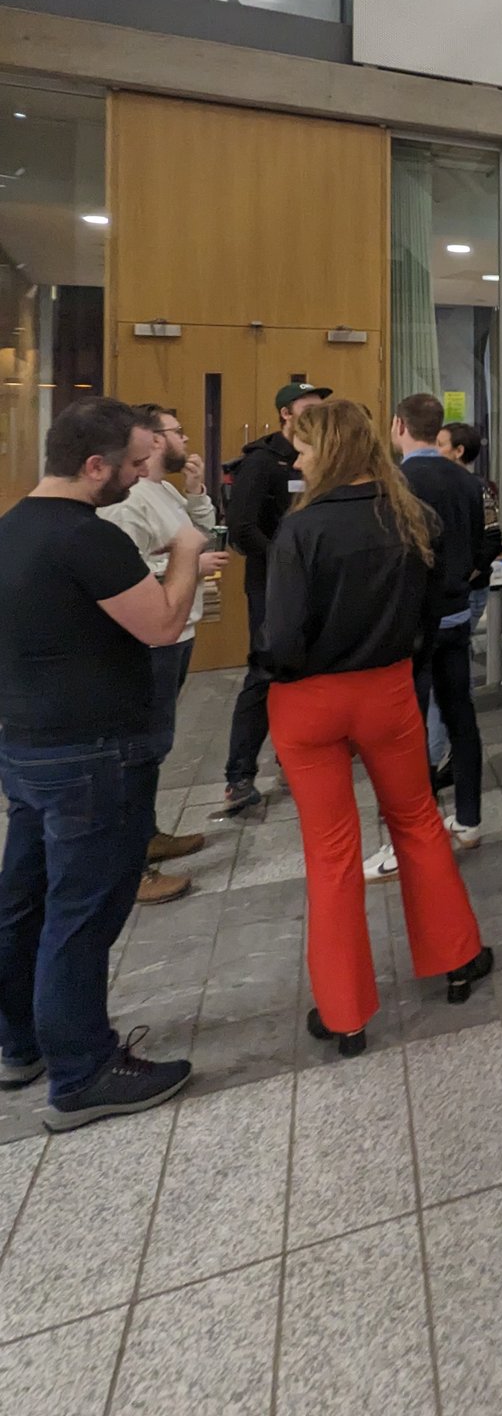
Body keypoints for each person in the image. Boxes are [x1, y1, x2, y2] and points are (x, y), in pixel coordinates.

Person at [0, 397, 220, 1130]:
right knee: (84, 910)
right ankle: (83, 1068)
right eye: (129, 464)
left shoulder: (13, 528)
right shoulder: (85, 537)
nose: (138, 474)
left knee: (26, 894)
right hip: (92, 752)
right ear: (93, 466)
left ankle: (21, 1038)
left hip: (30, 743)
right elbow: (160, 624)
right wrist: (186, 555)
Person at [262, 401, 492, 1056]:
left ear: (327, 452)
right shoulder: (411, 517)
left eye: (303, 448)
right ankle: (456, 959)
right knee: (417, 822)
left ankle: (345, 1013)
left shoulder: (300, 531)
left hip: (309, 702)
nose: (296, 459)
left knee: (331, 855)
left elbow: (281, 638)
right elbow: (439, 603)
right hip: (388, 689)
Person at [362, 394, 489, 880]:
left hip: (416, 623)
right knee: (461, 716)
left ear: (398, 425)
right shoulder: (468, 480)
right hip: (457, 613)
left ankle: (413, 837)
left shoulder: (396, 482)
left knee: (409, 731)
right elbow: (480, 545)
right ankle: (471, 819)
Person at [99, 405, 218, 905]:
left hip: (178, 631)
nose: (185, 439)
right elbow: (127, 569)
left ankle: (147, 833)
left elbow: (197, 533)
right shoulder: (126, 502)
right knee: (138, 751)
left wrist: (196, 494)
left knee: (155, 747)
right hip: (150, 639)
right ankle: (131, 868)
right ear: (150, 441)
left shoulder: (163, 490)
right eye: (176, 431)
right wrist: (190, 559)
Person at [222, 380, 330, 816]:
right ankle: (239, 775)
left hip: (315, 581)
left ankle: (296, 754)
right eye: (309, 408)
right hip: (272, 583)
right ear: (287, 413)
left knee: (309, 669)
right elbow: (242, 529)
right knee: (266, 670)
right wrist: (283, 563)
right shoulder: (262, 463)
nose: (318, 414)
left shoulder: (322, 458)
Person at [427, 422, 502, 788]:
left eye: (440, 444)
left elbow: (492, 539)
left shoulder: (478, 488)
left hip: (466, 592)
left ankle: (445, 754)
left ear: (459, 451)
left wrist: (463, 576)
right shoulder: (435, 485)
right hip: (449, 592)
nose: (434, 449)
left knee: (449, 678)